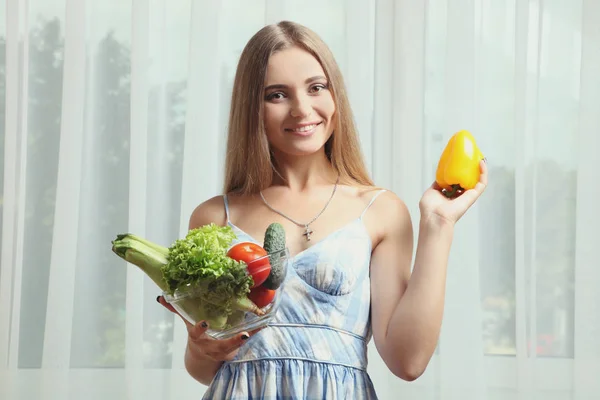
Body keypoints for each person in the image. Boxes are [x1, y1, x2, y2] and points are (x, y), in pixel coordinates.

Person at [157, 20, 487, 399]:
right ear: (252, 108)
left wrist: (438, 223)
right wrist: (201, 347)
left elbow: (407, 361)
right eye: (276, 95)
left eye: (316, 88)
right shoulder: (215, 217)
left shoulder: (380, 211)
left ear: (335, 95)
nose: (302, 109)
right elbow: (203, 368)